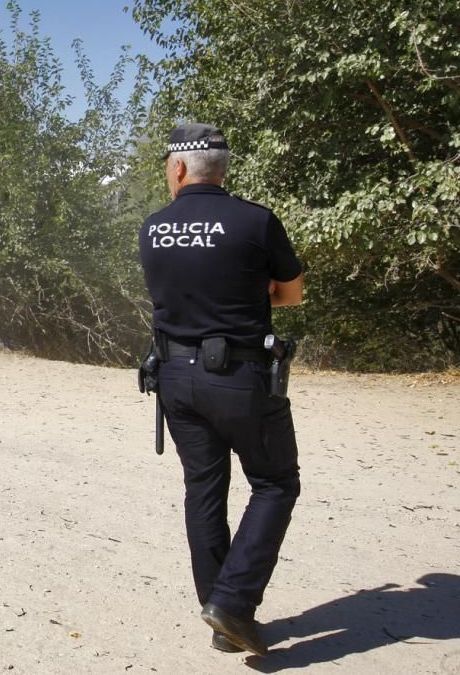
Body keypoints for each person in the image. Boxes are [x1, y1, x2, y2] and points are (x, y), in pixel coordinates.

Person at [139, 123, 304, 657]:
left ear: (180, 168)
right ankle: (232, 605)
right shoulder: (255, 221)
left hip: (176, 379)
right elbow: (291, 295)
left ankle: (219, 609)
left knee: (204, 489)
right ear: (222, 169)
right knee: (276, 483)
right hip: (241, 380)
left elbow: (178, 293)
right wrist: (251, 296)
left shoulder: (153, 228)